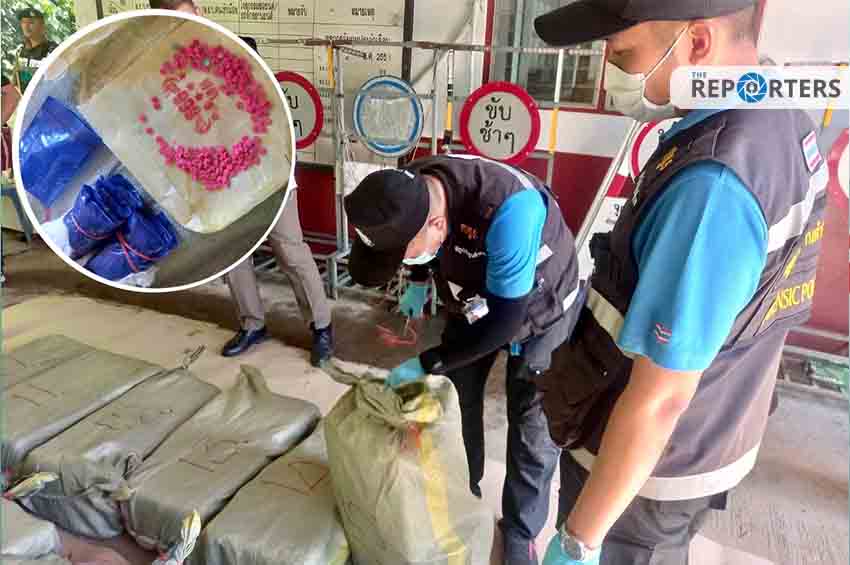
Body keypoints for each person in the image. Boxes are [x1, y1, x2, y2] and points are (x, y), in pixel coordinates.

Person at [533, 1, 828, 564]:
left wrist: (579, 540)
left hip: (645, 478)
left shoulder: (713, 184)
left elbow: (662, 399)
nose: (609, 71)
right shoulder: (775, 107)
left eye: (623, 53)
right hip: (717, 426)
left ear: (697, 44)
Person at [344, 155, 582, 565]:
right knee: (456, 397)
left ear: (437, 224)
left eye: (403, 256)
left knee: (531, 424)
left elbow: (504, 323)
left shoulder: (511, 209)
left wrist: (428, 362)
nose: (402, 263)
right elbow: (418, 246)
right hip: (472, 295)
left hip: (540, 308)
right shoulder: (410, 188)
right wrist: (418, 280)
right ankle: (464, 491)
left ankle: (520, 531)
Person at [148, 0, 335, 365]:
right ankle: (253, 324)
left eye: (185, 19)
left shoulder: (239, 49)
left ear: (199, 12)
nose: (182, 29)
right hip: (220, 178)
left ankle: (322, 327)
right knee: (233, 253)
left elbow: (262, 109)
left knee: (291, 250)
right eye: (170, 23)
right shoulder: (165, 67)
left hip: (266, 171)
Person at [12, 8, 58, 93]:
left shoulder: (53, 50)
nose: (26, 26)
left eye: (31, 22)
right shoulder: (20, 50)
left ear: (42, 26)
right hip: (24, 98)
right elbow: (15, 82)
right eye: (23, 22)